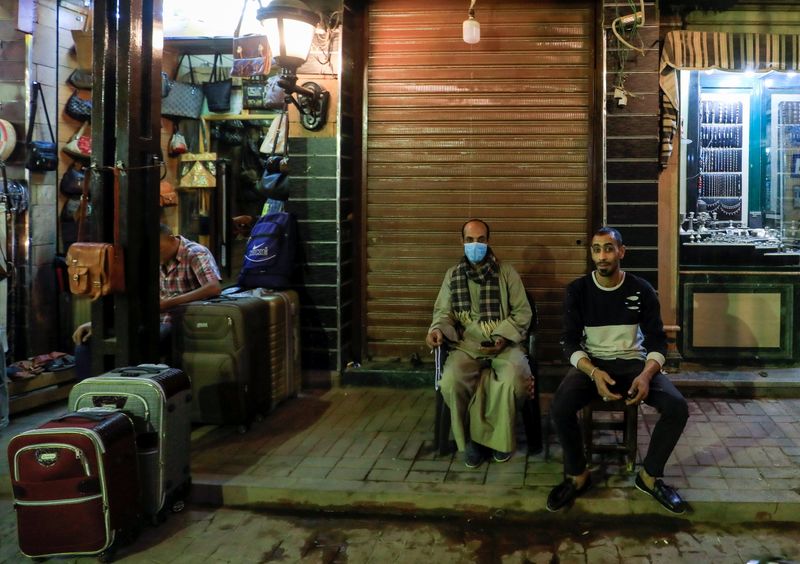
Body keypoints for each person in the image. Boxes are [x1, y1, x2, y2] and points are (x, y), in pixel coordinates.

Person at [547, 227, 689, 514]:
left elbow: (657, 342)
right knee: (560, 407)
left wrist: (647, 375)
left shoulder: (641, 289)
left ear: (621, 252)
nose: (603, 256)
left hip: (635, 365)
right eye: (597, 249)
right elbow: (569, 342)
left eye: (609, 248)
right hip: (594, 364)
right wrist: (593, 372)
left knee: (677, 407)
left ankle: (649, 477)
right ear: (591, 254)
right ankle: (578, 475)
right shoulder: (578, 291)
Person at [426, 219, 533, 468]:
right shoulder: (452, 275)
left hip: (505, 344)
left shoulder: (507, 273)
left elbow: (522, 312)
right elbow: (443, 313)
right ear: (461, 241)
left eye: (481, 240)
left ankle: (498, 441)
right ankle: (472, 442)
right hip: (467, 346)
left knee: (514, 380)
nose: (476, 245)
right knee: (452, 381)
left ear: (488, 241)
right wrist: (437, 330)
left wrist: (502, 337)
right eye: (470, 240)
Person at [73, 224, 221, 377]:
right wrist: (100, 322)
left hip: (183, 322)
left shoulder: (195, 253)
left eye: (159, 250)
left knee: (140, 341)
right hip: (153, 319)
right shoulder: (153, 260)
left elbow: (213, 287)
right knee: (87, 343)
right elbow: (136, 299)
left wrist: (168, 304)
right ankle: (88, 394)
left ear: (172, 239)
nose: (156, 255)